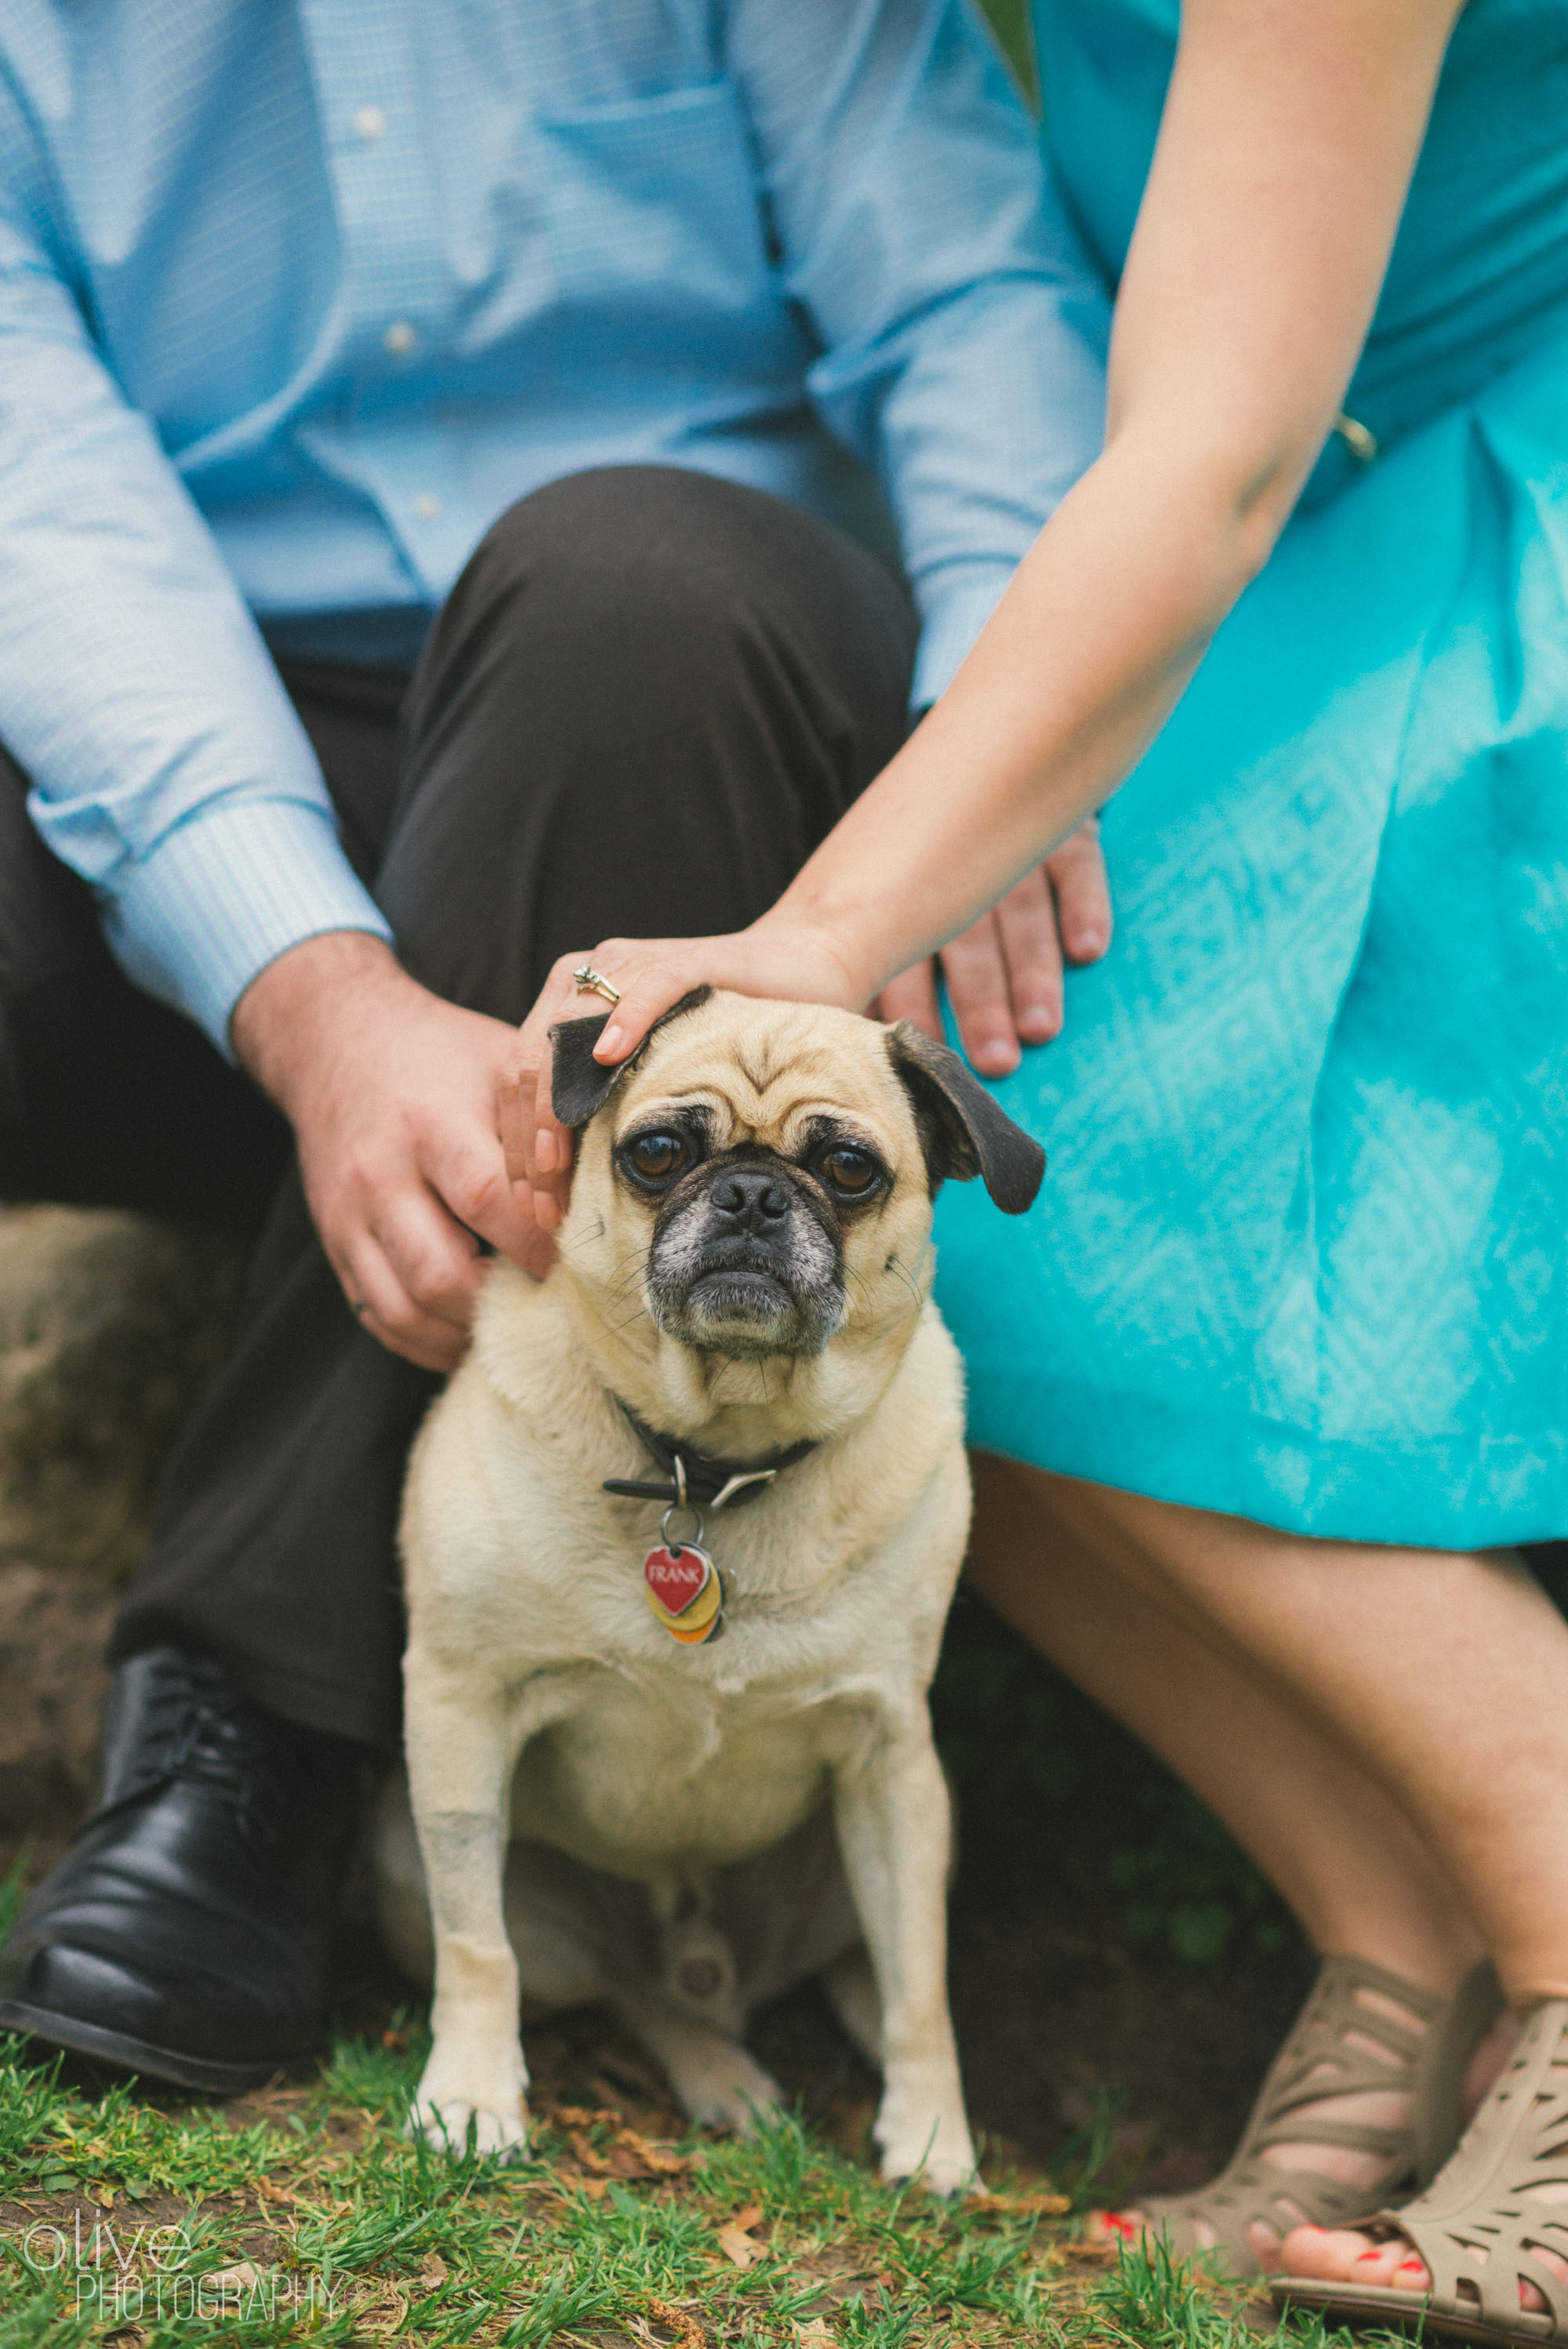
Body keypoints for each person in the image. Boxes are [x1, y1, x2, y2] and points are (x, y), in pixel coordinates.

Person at [501, 0, 1568, 2336]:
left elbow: (1205, 451)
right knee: (944, 1273)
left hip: (1470, 540)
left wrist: (809, 939)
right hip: (1243, 553)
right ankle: (1391, 1926)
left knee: (1020, 1214)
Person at [0, 0, 1115, 2096]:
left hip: (698, 735)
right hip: (223, 708)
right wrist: (318, 995)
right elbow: (34, 497)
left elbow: (965, 288)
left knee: (621, 595)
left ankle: (255, 1724)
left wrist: (1000, 735)